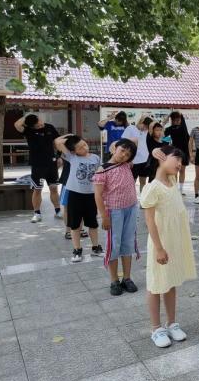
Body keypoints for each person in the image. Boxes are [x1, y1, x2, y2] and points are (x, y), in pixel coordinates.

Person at [141, 145, 196, 348]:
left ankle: (172, 323)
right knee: (156, 284)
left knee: (171, 282)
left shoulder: (172, 181)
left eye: (181, 161)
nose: (180, 164)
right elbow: (150, 221)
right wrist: (159, 248)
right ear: (162, 158)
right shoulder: (153, 187)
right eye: (176, 159)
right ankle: (156, 328)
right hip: (161, 243)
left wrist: (162, 155)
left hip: (174, 241)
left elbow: (166, 156)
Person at [93, 139, 139, 296]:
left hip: (131, 209)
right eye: (122, 150)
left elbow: (135, 141)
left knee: (128, 243)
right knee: (114, 245)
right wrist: (104, 216)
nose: (124, 155)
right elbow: (98, 195)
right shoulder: (103, 170)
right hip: (114, 212)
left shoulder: (127, 165)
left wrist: (124, 147)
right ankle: (114, 280)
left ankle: (127, 278)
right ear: (115, 149)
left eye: (128, 154)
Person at [53, 134, 103, 263]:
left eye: (84, 144)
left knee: (93, 223)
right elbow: (57, 142)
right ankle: (77, 250)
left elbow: (101, 173)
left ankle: (96, 247)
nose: (85, 148)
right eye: (80, 147)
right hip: (75, 195)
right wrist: (70, 137)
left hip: (91, 195)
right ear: (73, 151)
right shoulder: (72, 157)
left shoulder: (96, 157)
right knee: (74, 225)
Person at [14, 114, 62, 223]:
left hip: (51, 163)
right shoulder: (28, 130)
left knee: (54, 188)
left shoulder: (49, 127)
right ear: (32, 126)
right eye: (37, 126)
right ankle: (37, 213)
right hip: (37, 164)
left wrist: (59, 156)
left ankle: (58, 211)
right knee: (37, 189)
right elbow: (16, 124)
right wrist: (27, 117)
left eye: (40, 123)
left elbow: (58, 142)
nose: (40, 125)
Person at [121, 115, 153, 192]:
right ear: (141, 122)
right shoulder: (130, 128)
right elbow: (123, 142)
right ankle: (130, 197)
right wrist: (129, 159)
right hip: (133, 161)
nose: (145, 129)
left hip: (145, 161)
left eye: (147, 127)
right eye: (144, 126)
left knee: (143, 182)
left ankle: (142, 198)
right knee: (132, 182)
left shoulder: (147, 131)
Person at [163, 112, 190, 195]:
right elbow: (161, 133)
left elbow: (180, 114)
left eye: (179, 119)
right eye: (175, 119)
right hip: (175, 153)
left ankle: (181, 190)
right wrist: (167, 117)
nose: (177, 121)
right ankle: (174, 189)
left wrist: (175, 114)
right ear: (172, 120)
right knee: (175, 171)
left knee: (182, 170)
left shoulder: (183, 126)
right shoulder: (170, 128)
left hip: (185, 152)